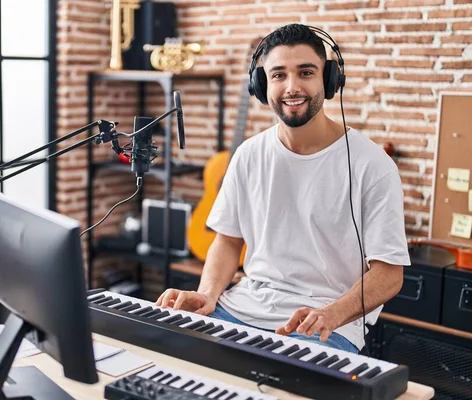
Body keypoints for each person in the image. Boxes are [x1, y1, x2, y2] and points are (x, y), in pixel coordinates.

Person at [155, 23, 410, 354]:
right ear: (261, 85)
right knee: (165, 353)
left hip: (323, 326)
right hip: (238, 308)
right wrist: (208, 293)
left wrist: (332, 314)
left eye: (306, 72)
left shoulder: (372, 165)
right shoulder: (248, 154)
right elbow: (228, 241)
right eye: (278, 75)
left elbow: (389, 274)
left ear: (330, 80)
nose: (292, 87)